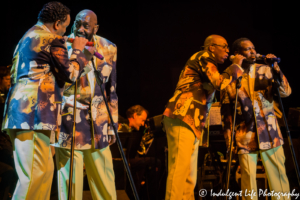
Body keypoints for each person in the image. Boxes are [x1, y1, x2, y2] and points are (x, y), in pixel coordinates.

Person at [1, 2, 91, 199]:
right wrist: (79, 53)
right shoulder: (51, 39)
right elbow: (71, 74)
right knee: (34, 175)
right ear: (57, 23)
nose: (65, 32)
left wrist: (62, 100)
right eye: (65, 27)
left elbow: (37, 76)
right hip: (33, 114)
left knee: (43, 172)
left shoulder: (28, 36)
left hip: (23, 111)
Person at [53, 9, 118, 200]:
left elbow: (112, 90)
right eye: (77, 24)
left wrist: (112, 124)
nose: (80, 29)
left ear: (95, 28)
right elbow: (58, 83)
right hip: (69, 120)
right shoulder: (62, 44)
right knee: (70, 182)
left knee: (104, 179)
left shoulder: (109, 48)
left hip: (99, 122)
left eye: (86, 26)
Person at [221, 38, 291, 200]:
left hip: (270, 131)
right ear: (238, 54)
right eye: (247, 49)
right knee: (248, 178)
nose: (253, 52)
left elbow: (286, 92)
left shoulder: (266, 70)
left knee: (278, 175)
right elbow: (226, 113)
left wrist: (276, 67)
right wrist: (228, 142)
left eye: (254, 48)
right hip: (244, 135)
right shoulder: (229, 76)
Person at [162, 34, 231, 199]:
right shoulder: (204, 56)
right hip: (182, 115)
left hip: (192, 121)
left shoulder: (203, 68)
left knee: (189, 175)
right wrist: (232, 70)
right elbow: (220, 83)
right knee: (179, 169)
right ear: (211, 47)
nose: (228, 50)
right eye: (224, 46)